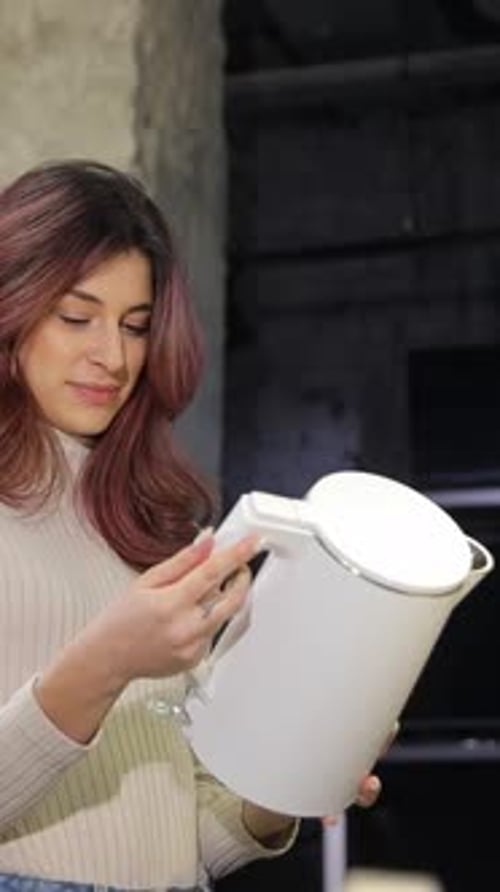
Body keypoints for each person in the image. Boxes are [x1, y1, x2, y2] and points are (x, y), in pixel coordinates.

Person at [0, 160, 381, 892]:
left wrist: (293, 778)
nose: (113, 357)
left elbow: (192, 836)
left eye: (135, 327)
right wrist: (106, 662)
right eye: (76, 317)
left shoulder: (151, 521)